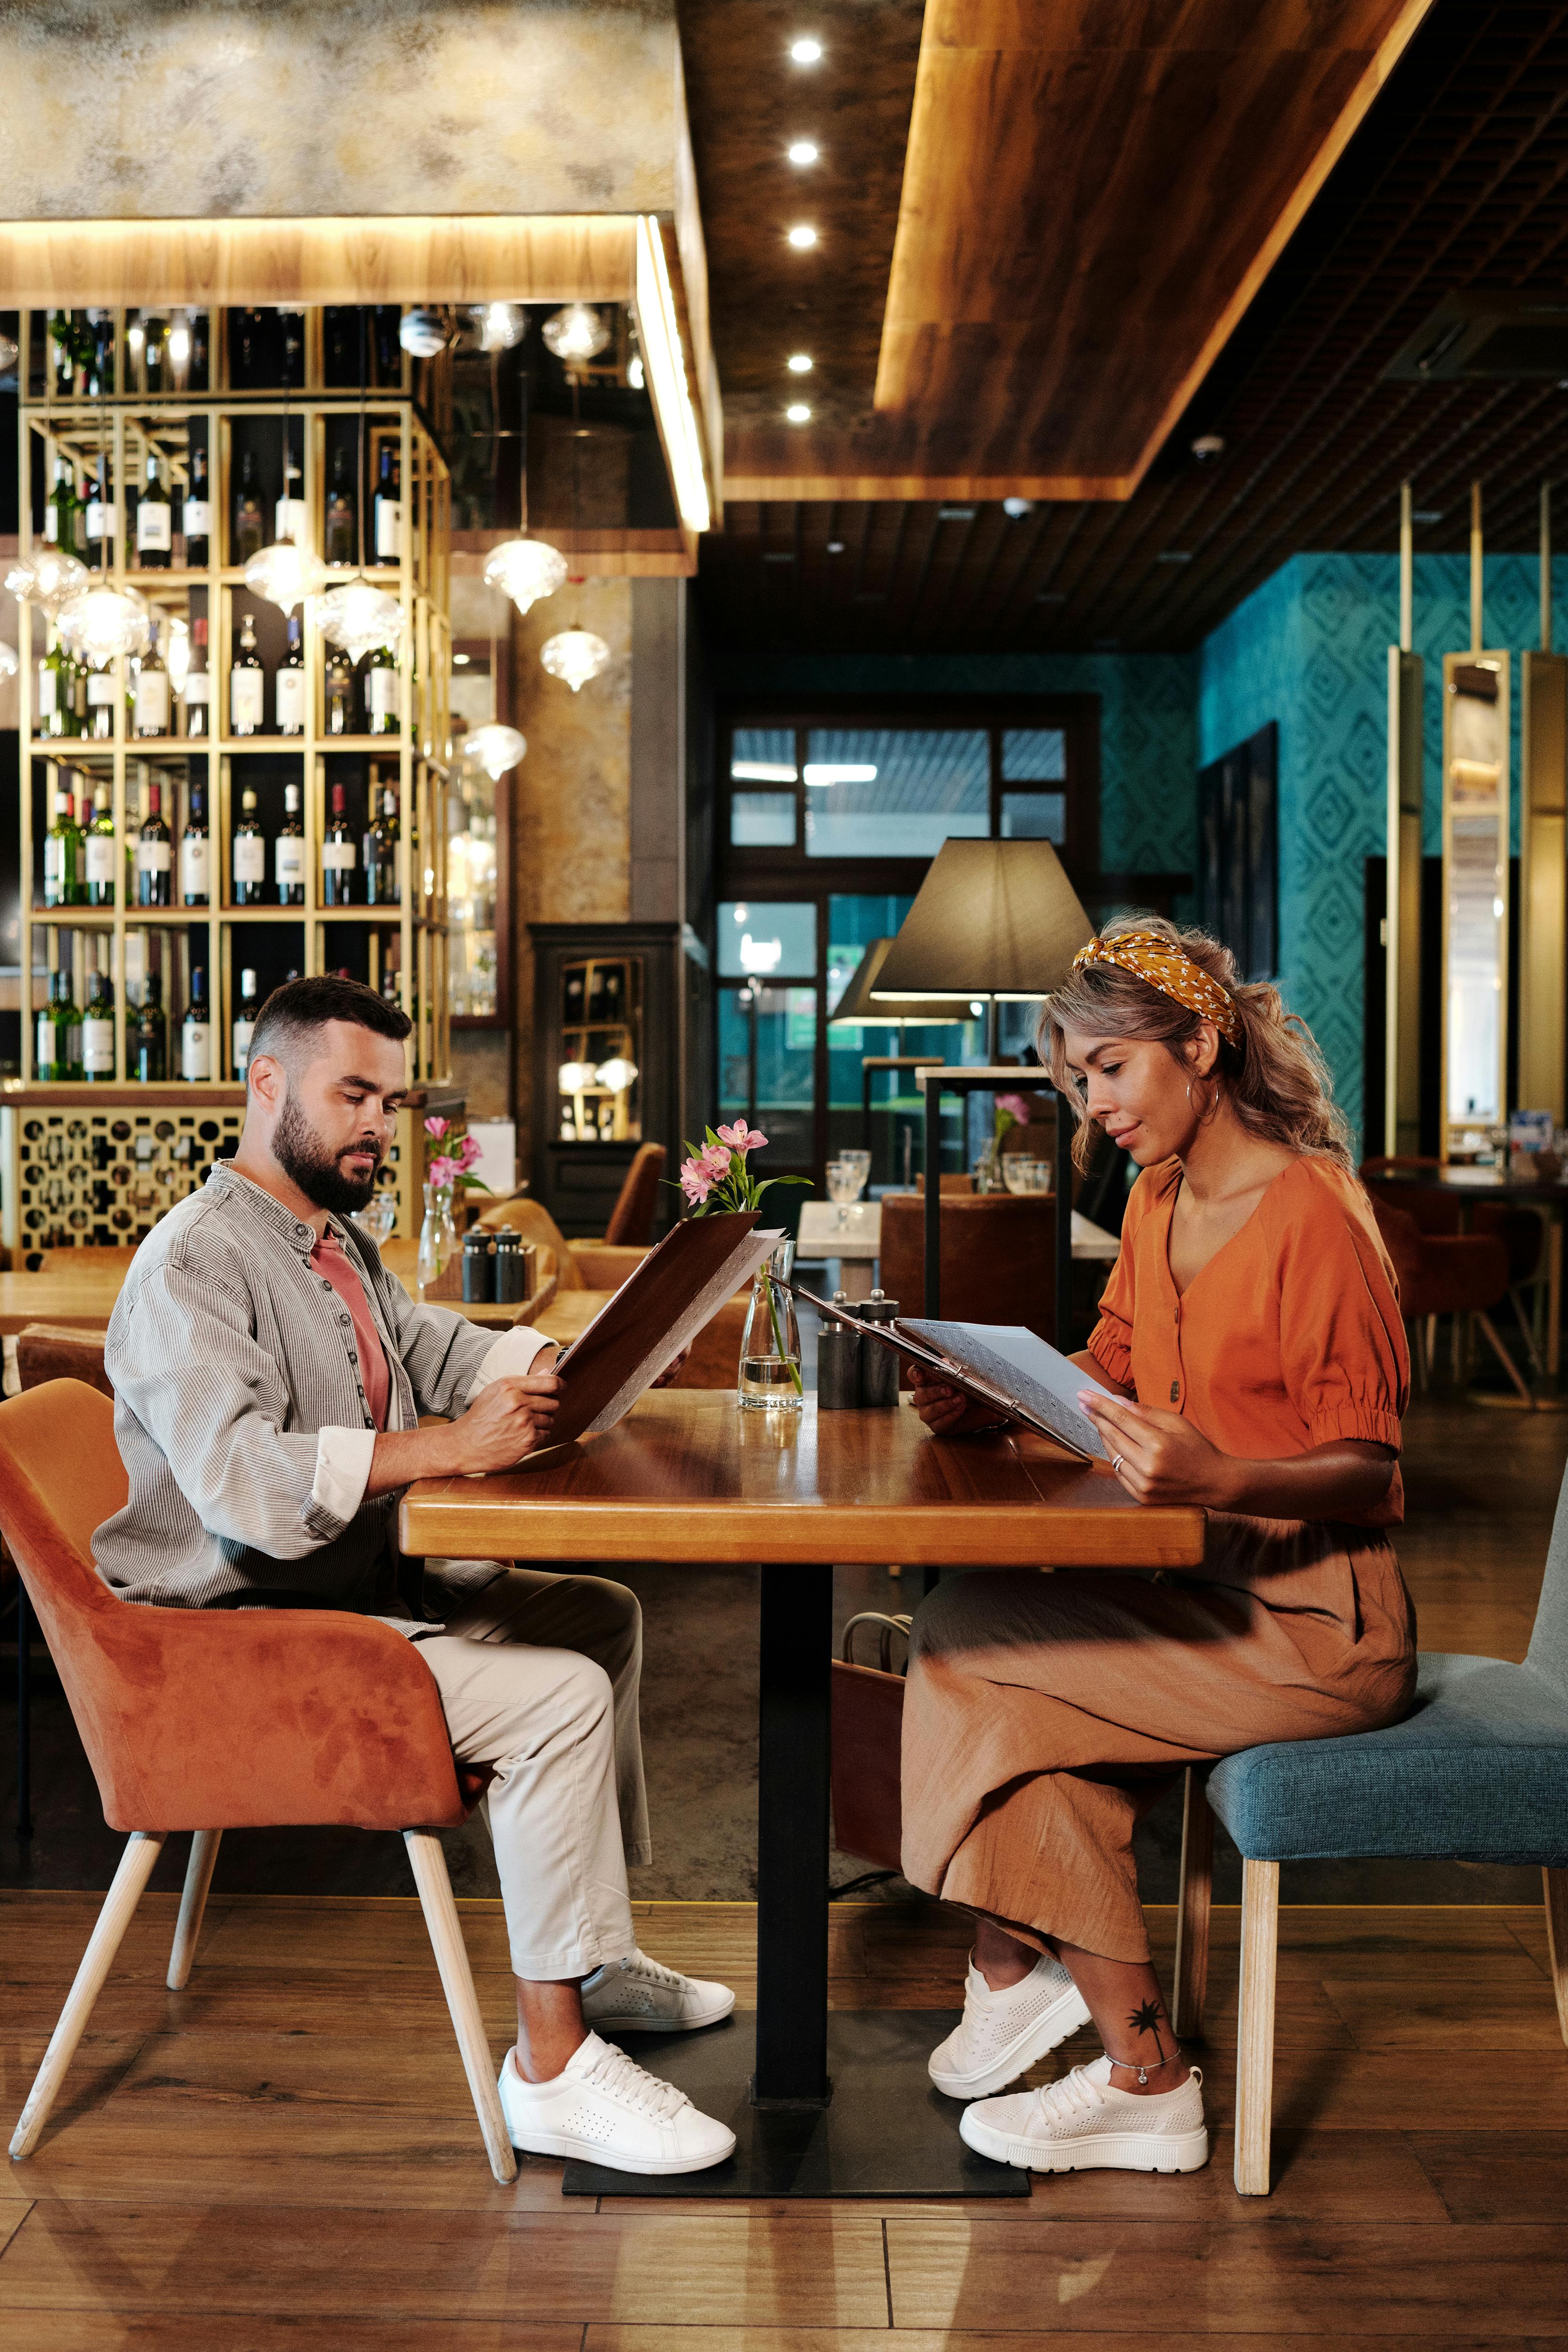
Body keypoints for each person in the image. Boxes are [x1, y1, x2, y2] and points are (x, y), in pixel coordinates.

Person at [99, 973, 737, 2177]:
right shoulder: (194, 1261)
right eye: (354, 1095)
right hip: (240, 1642)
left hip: (339, 1598)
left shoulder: (327, 1239)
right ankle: (550, 2067)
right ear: (267, 1085)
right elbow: (244, 1484)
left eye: (390, 1101)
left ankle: (588, 1958)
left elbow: (426, 1345)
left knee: (595, 1617)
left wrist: (559, 1359)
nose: (378, 1127)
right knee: (557, 1697)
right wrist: (452, 1446)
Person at [902, 917, 1414, 2177]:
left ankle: (1059, 2001)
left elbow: (1372, 1470)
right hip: (1194, 1586)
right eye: (1077, 1078)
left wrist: (1214, 1471)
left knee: (978, 1664)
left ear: (1197, 1044)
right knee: (972, 1625)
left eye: (1109, 1069)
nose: (1093, 1104)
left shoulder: (1309, 1215)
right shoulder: (1156, 1194)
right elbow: (1112, 1371)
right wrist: (989, 1393)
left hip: (1315, 1627)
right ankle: (1093, 2027)